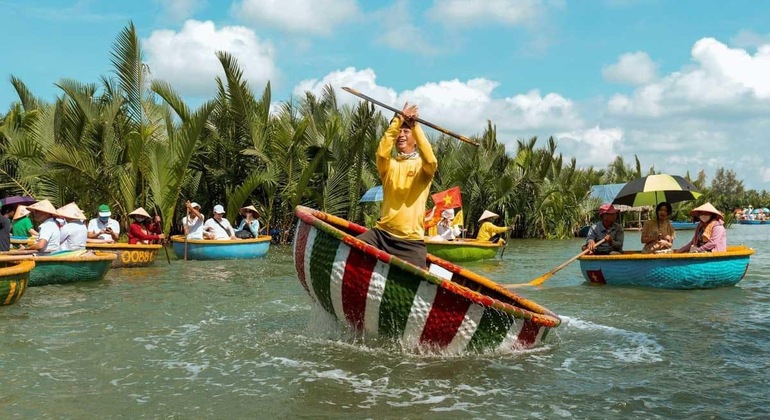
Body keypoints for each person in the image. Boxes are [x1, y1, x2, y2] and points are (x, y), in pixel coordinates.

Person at [355, 102, 438, 268]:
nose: (401, 134)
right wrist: (398, 120)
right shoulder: (389, 165)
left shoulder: (424, 167)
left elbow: (431, 159)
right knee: (350, 249)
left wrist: (415, 125)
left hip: (410, 242)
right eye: (399, 131)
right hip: (381, 234)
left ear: (415, 138)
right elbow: (381, 152)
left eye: (406, 131)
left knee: (417, 283)